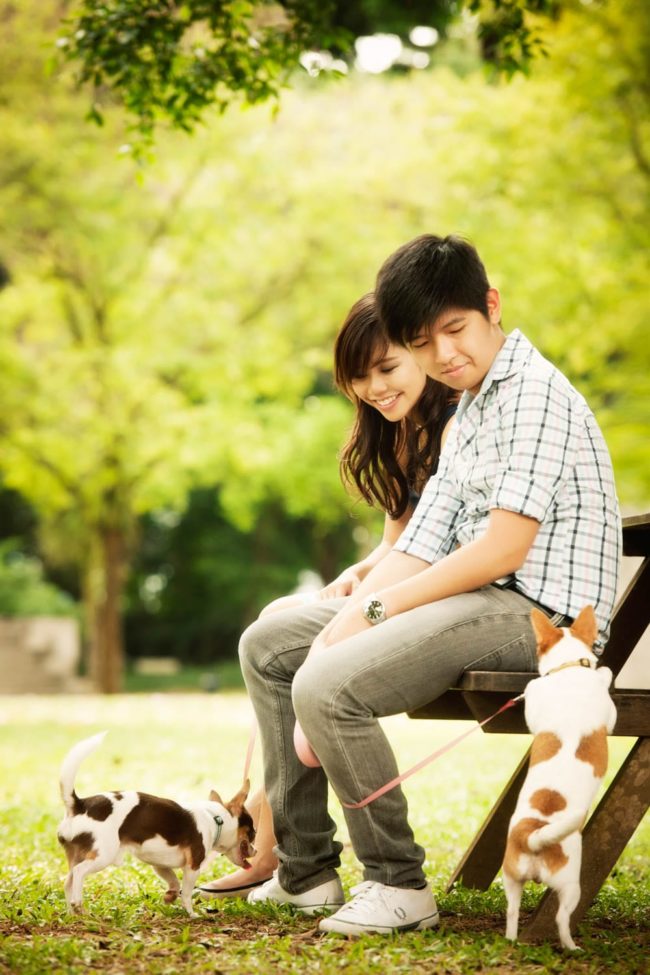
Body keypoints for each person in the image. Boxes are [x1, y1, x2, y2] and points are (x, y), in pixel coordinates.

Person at [238, 234, 621, 936]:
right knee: (270, 644)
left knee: (328, 686)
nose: (444, 354)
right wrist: (344, 616)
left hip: (541, 621)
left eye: (456, 329)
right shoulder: (469, 410)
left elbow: (502, 550)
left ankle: (397, 883)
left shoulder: (534, 395)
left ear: (491, 306)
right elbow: (417, 544)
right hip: (480, 604)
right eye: (423, 343)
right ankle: (306, 872)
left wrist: (372, 611)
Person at [198, 292, 456, 898]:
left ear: (421, 352)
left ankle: (274, 841)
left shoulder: (459, 427)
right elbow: (396, 544)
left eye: (387, 368)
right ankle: (285, 846)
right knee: (278, 616)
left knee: (280, 643)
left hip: (441, 599)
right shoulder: (402, 432)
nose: (375, 388)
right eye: (360, 377)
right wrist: (355, 574)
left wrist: (369, 595)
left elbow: (445, 551)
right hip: (405, 587)